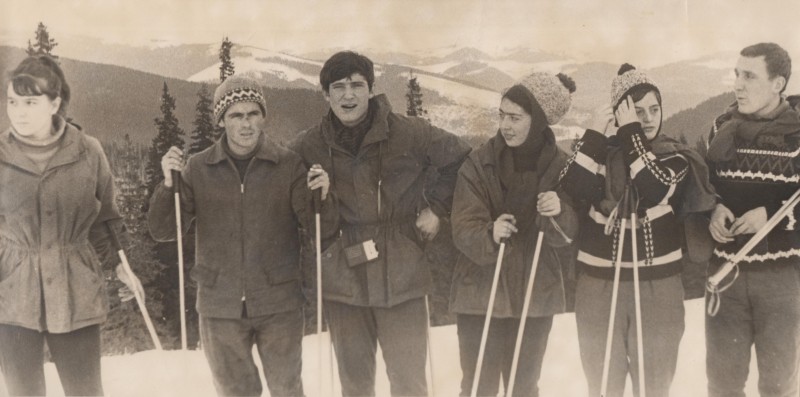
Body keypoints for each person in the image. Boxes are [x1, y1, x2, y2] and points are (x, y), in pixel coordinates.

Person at [290, 50, 471, 397]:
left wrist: (437, 208)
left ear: (371, 89)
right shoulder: (308, 144)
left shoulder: (409, 132)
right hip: (344, 276)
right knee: (355, 384)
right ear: (325, 94)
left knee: (409, 382)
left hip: (402, 271)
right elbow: (276, 178)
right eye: (338, 87)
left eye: (357, 85)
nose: (348, 95)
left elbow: (462, 158)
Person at [148, 75, 333, 397]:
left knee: (287, 388)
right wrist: (168, 185)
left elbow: (320, 229)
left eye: (253, 114)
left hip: (278, 302)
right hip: (220, 304)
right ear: (221, 120)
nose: (246, 124)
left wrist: (322, 197)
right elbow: (164, 230)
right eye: (236, 115)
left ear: (263, 116)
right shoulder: (199, 167)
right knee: (235, 392)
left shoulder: (287, 165)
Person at [559, 64, 716, 397]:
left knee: (654, 384)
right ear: (619, 114)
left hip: (656, 286)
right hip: (598, 286)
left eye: (653, 110)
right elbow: (573, 187)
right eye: (636, 111)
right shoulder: (602, 154)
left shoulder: (676, 156)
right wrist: (595, 137)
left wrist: (630, 134)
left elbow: (655, 186)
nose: (647, 119)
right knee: (602, 384)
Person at [0, 55, 144, 396]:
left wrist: (122, 268)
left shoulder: (87, 152)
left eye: (30, 102)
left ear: (55, 104)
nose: (18, 112)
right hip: (14, 291)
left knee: (85, 391)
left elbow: (105, 219)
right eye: (12, 102)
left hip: (75, 288)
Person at [449, 71, 579, 397]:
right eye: (502, 115)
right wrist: (490, 232)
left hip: (536, 291)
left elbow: (568, 234)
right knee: (480, 386)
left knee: (524, 388)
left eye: (515, 118)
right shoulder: (479, 164)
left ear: (537, 121)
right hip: (481, 292)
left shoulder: (561, 166)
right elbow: (463, 226)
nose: (505, 125)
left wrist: (558, 210)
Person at [702, 42, 800, 397]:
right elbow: (701, 188)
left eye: (750, 76)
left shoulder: (797, 136)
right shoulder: (720, 129)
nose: (738, 85)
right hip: (725, 275)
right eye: (737, 74)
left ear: (778, 83)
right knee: (723, 384)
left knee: (778, 384)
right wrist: (712, 208)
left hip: (781, 280)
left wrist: (773, 217)